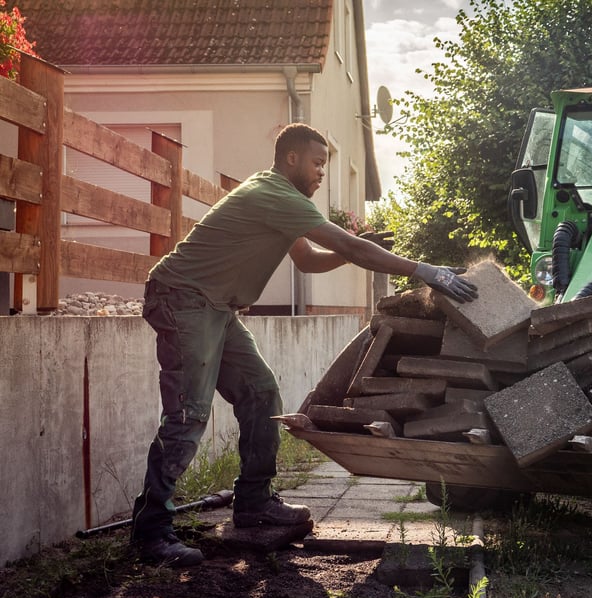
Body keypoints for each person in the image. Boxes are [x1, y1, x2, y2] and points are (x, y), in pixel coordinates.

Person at [130, 122, 477, 567]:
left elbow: (311, 260)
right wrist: (425, 271)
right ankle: (151, 530)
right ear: (291, 158)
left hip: (215, 306)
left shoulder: (280, 199)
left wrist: (354, 249)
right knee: (188, 413)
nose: (320, 174)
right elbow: (342, 244)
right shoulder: (273, 193)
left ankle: (254, 503)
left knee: (261, 392)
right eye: (317, 163)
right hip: (184, 299)